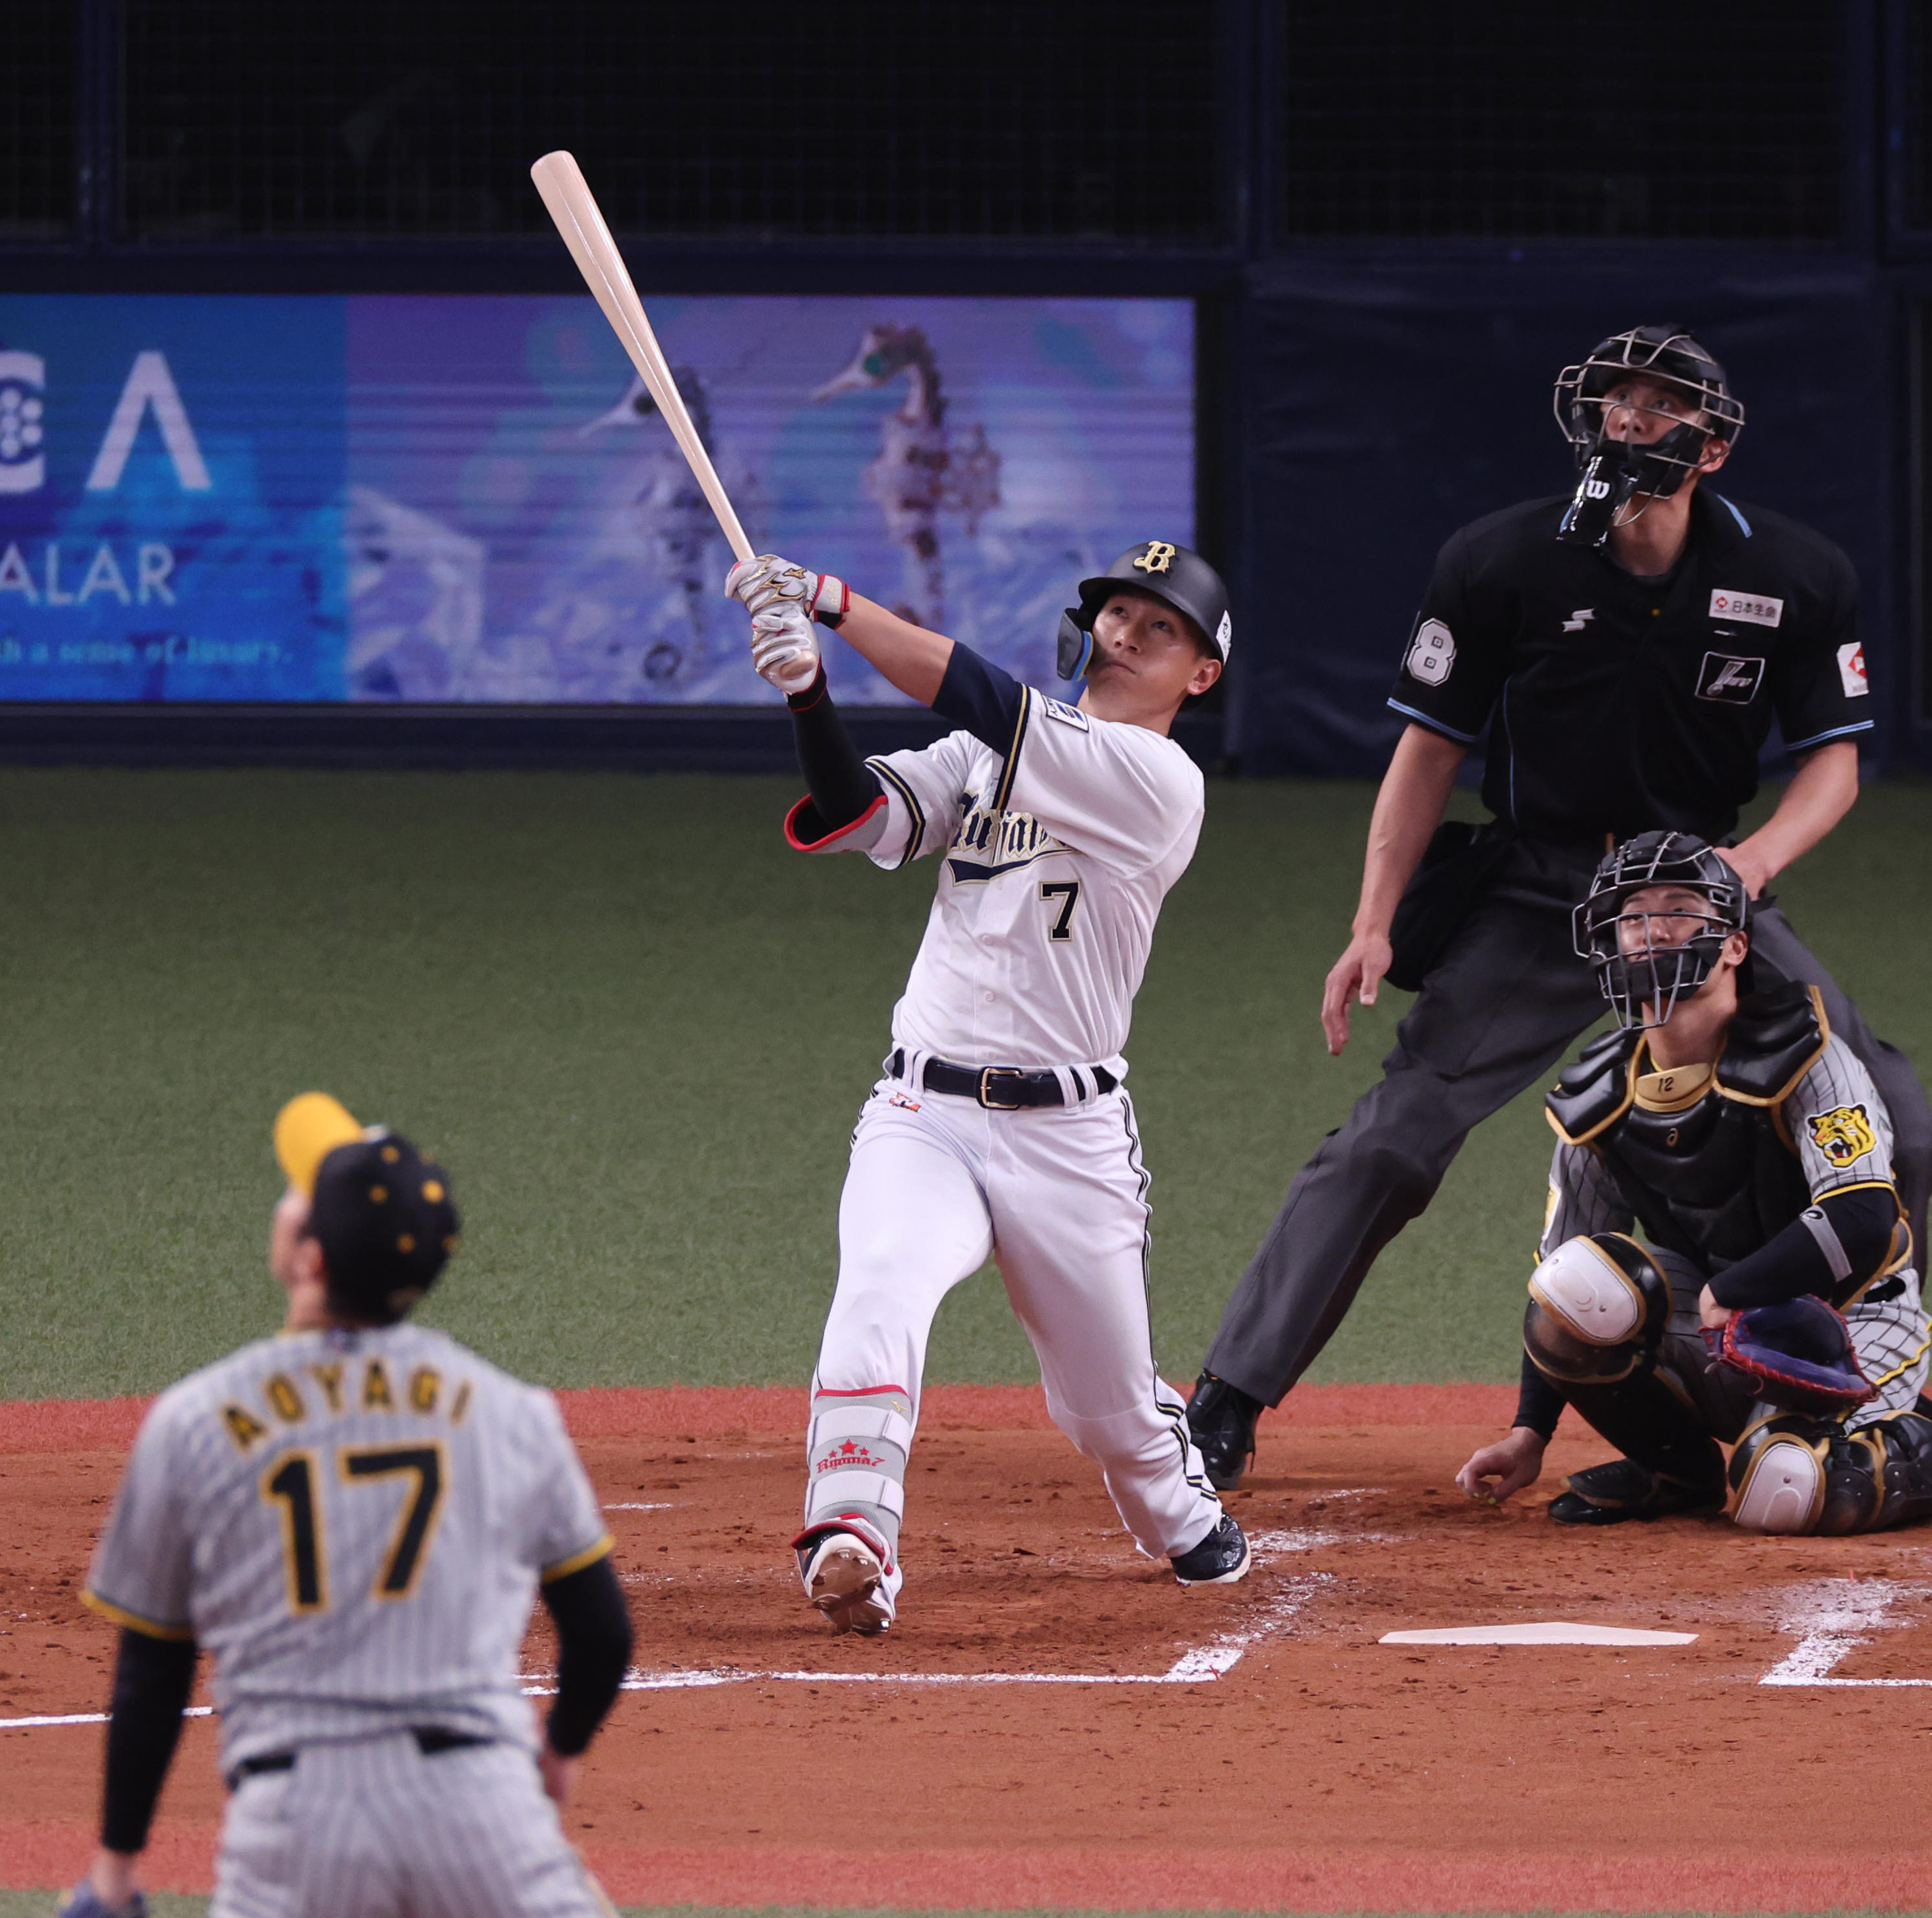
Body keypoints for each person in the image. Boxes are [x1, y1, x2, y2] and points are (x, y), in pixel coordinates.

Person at [1187, 324, 1932, 1489]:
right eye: (1613, 403)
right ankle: (1226, 1399)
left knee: (1903, 1120)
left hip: (1699, 892)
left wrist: (1745, 866)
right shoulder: (1500, 562)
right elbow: (1426, 754)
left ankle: (1887, 1391)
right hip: (1543, 888)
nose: (1629, 423)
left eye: (1657, 405)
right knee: (1392, 1138)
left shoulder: (1792, 573)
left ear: (1712, 446)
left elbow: (1831, 764)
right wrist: (1370, 922)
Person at [724, 538, 1249, 1637]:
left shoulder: (1158, 782)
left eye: (1161, 628)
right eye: (1116, 613)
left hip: (1071, 1140)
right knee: (880, 1282)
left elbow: (984, 695)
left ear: (1200, 675)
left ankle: (1170, 1493)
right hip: (926, 1112)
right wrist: (808, 695)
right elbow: (850, 818)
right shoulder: (979, 756)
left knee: (1105, 1415)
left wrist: (834, 604)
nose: (1127, 633)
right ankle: (849, 1534)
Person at [65, 1093, 632, 1918]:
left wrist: (116, 1872)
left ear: (309, 1259)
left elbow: (154, 1670)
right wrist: (560, 1756)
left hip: (294, 1833)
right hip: (480, 1815)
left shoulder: (194, 1423)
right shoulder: (514, 1414)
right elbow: (603, 1634)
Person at [1455, 832, 1932, 1533]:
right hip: (1722, 1332)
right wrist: (1531, 1431)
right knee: (1574, 1282)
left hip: (1851, 1324)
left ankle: (1907, 1436)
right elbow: (1561, 1286)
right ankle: (1678, 1473)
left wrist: (1729, 1290)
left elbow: (1863, 1218)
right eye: (1633, 914)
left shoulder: (1806, 1055)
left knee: (1787, 1488)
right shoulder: (1598, 1095)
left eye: (1678, 907)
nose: (1651, 927)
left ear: (1734, 945)